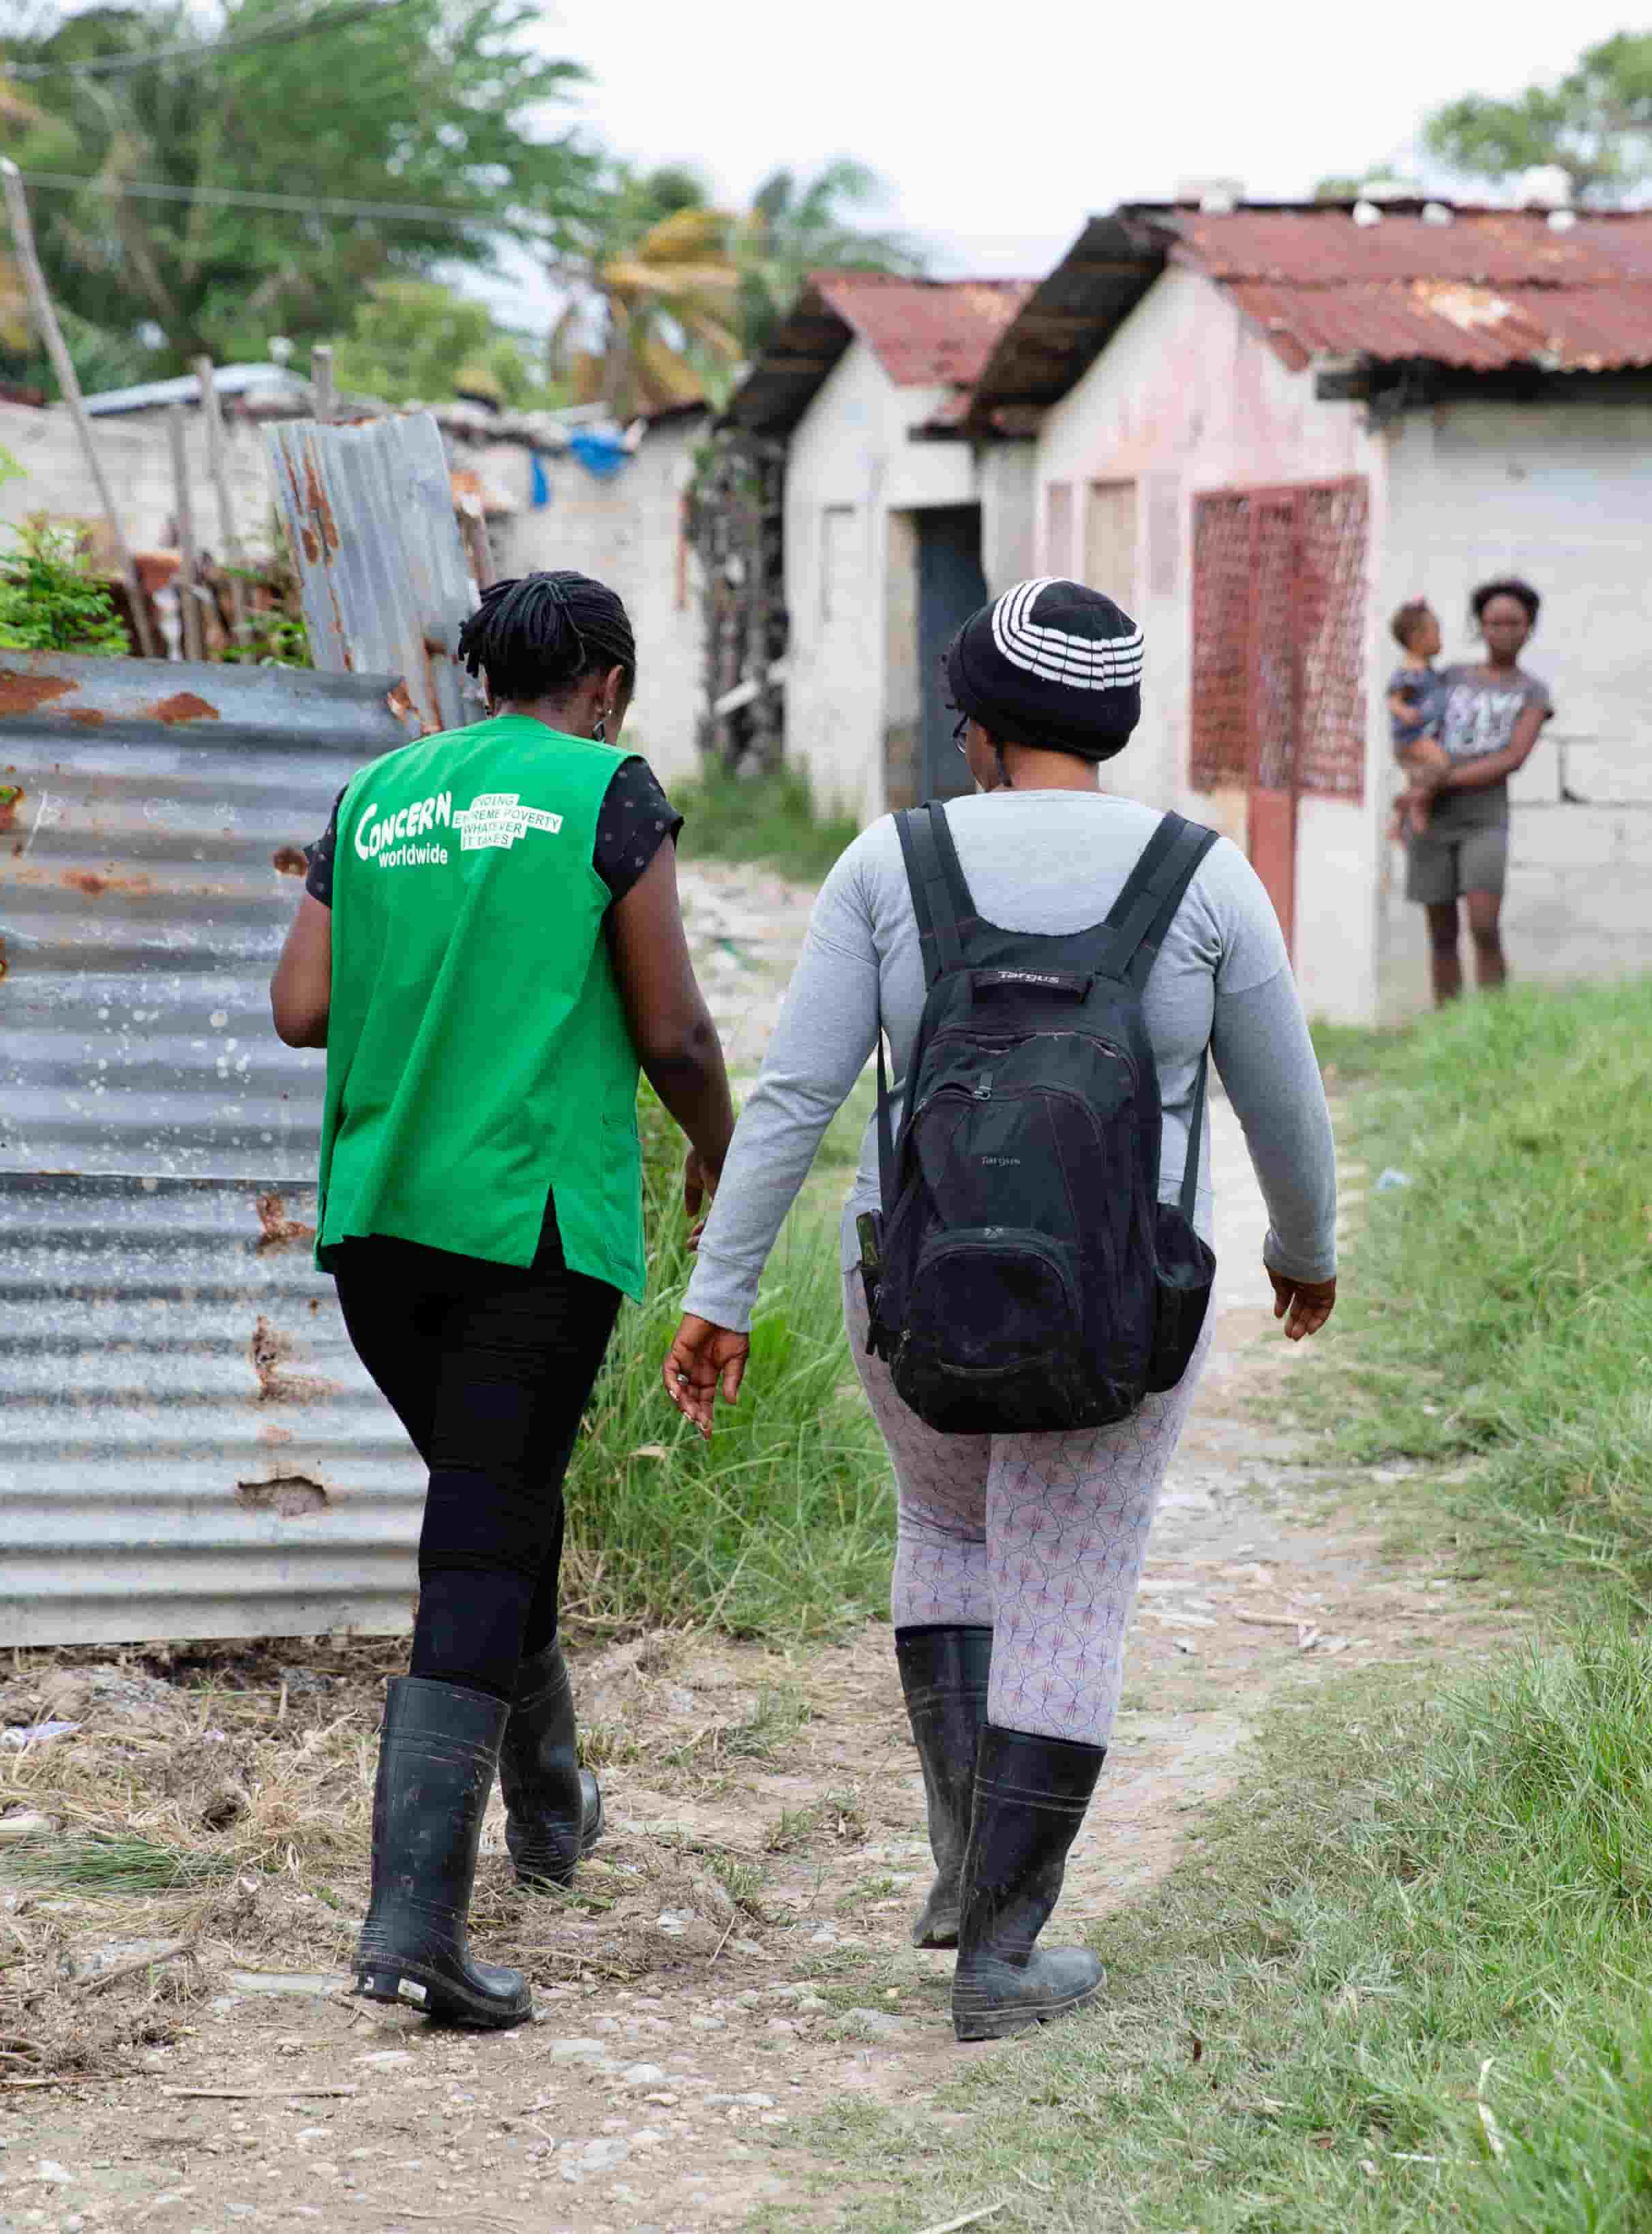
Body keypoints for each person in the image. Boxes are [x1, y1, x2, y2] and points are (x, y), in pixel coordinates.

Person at [658, 579, 1342, 2042]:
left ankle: (965, 1877)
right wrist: (1306, 1249)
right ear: (1110, 721)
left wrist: (720, 1291)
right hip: (1125, 1303)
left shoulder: (886, 866)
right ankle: (1006, 1950)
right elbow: (1285, 1103)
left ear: (976, 726)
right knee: (1071, 1592)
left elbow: (793, 1100)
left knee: (948, 1532)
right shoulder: (1201, 877)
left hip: (911, 1293)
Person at [271, 571, 738, 2032]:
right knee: (482, 1532)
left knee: (496, 1497)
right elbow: (669, 1024)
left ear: (482, 676)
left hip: (381, 1221)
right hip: (528, 1226)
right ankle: (413, 1923)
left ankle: (551, 1803)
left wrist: (440, 959)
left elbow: (298, 1007)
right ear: (603, 681)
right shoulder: (608, 790)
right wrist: (722, 1151)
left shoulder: (378, 795)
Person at [1410, 578, 1554, 1007]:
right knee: (1441, 932)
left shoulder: (1532, 691)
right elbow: (1416, 728)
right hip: (1432, 813)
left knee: (1484, 924)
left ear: (1529, 628)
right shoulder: (1451, 676)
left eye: (1515, 623)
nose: (1504, 632)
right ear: (1480, 626)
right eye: (1494, 623)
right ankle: (1448, 1026)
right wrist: (1419, 786)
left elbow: (1513, 757)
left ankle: (1494, 1024)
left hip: (1485, 816)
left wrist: (1444, 778)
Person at [1385, 597, 1450, 845]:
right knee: (1442, 764)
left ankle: (1400, 823)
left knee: (1420, 777)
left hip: (1420, 736)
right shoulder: (1411, 672)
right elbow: (1393, 698)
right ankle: (1414, 802)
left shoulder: (1427, 669)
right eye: (1436, 633)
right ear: (1417, 639)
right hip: (1411, 738)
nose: (1440, 639)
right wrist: (1403, 711)